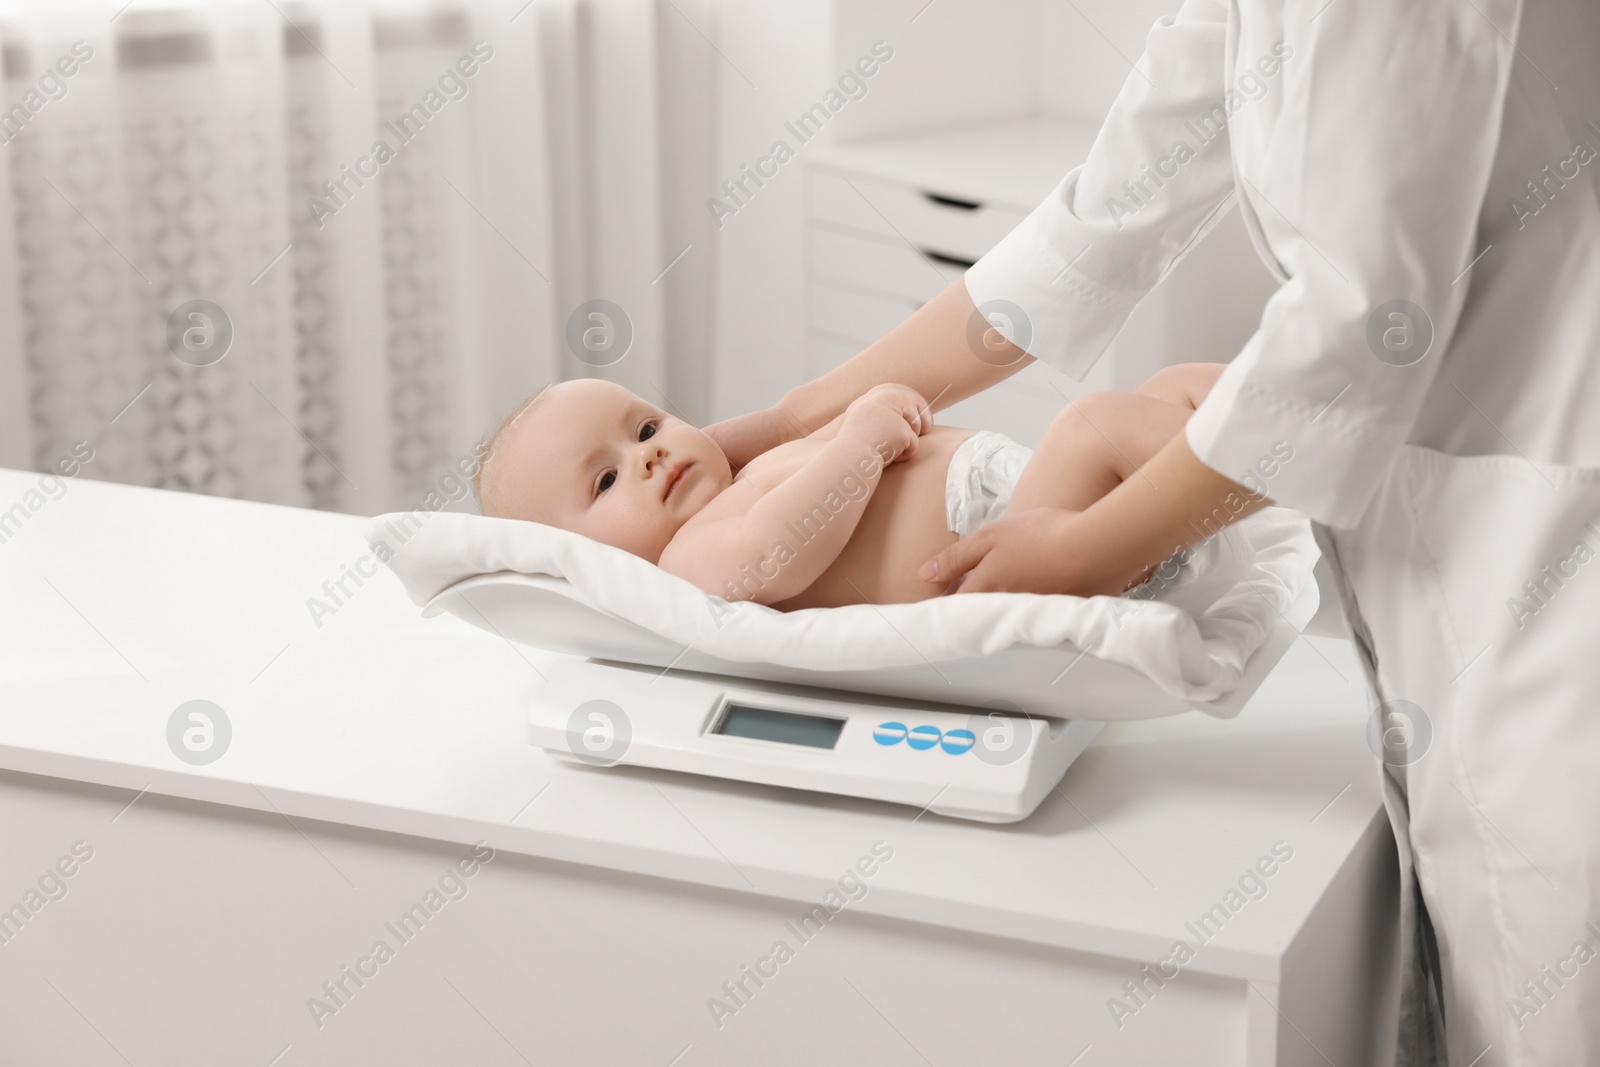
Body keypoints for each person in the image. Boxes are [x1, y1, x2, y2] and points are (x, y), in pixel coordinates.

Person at [705, 0, 1600, 1061]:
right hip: (1458, 509)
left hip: (1549, 517)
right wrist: (790, 416)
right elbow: (1101, 217)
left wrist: (1093, 547)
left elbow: (1354, 328)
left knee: (1546, 972)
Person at [472, 366, 1223, 608]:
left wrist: (846, 427)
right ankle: (1288, 454)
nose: (647, 456)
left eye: (646, 428)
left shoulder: (742, 474)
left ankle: (1284, 428)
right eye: (604, 479)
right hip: (1029, 545)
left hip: (1043, 503)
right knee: (1097, 425)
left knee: (1177, 386)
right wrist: (858, 441)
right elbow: (771, 553)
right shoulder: (690, 558)